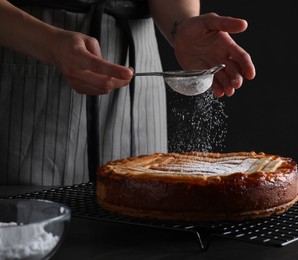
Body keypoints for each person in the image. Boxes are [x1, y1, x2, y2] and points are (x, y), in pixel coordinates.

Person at [0, 0, 256, 186]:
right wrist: (49, 44)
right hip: (32, 59)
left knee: (143, 212)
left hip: (138, 70)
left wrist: (181, 23)